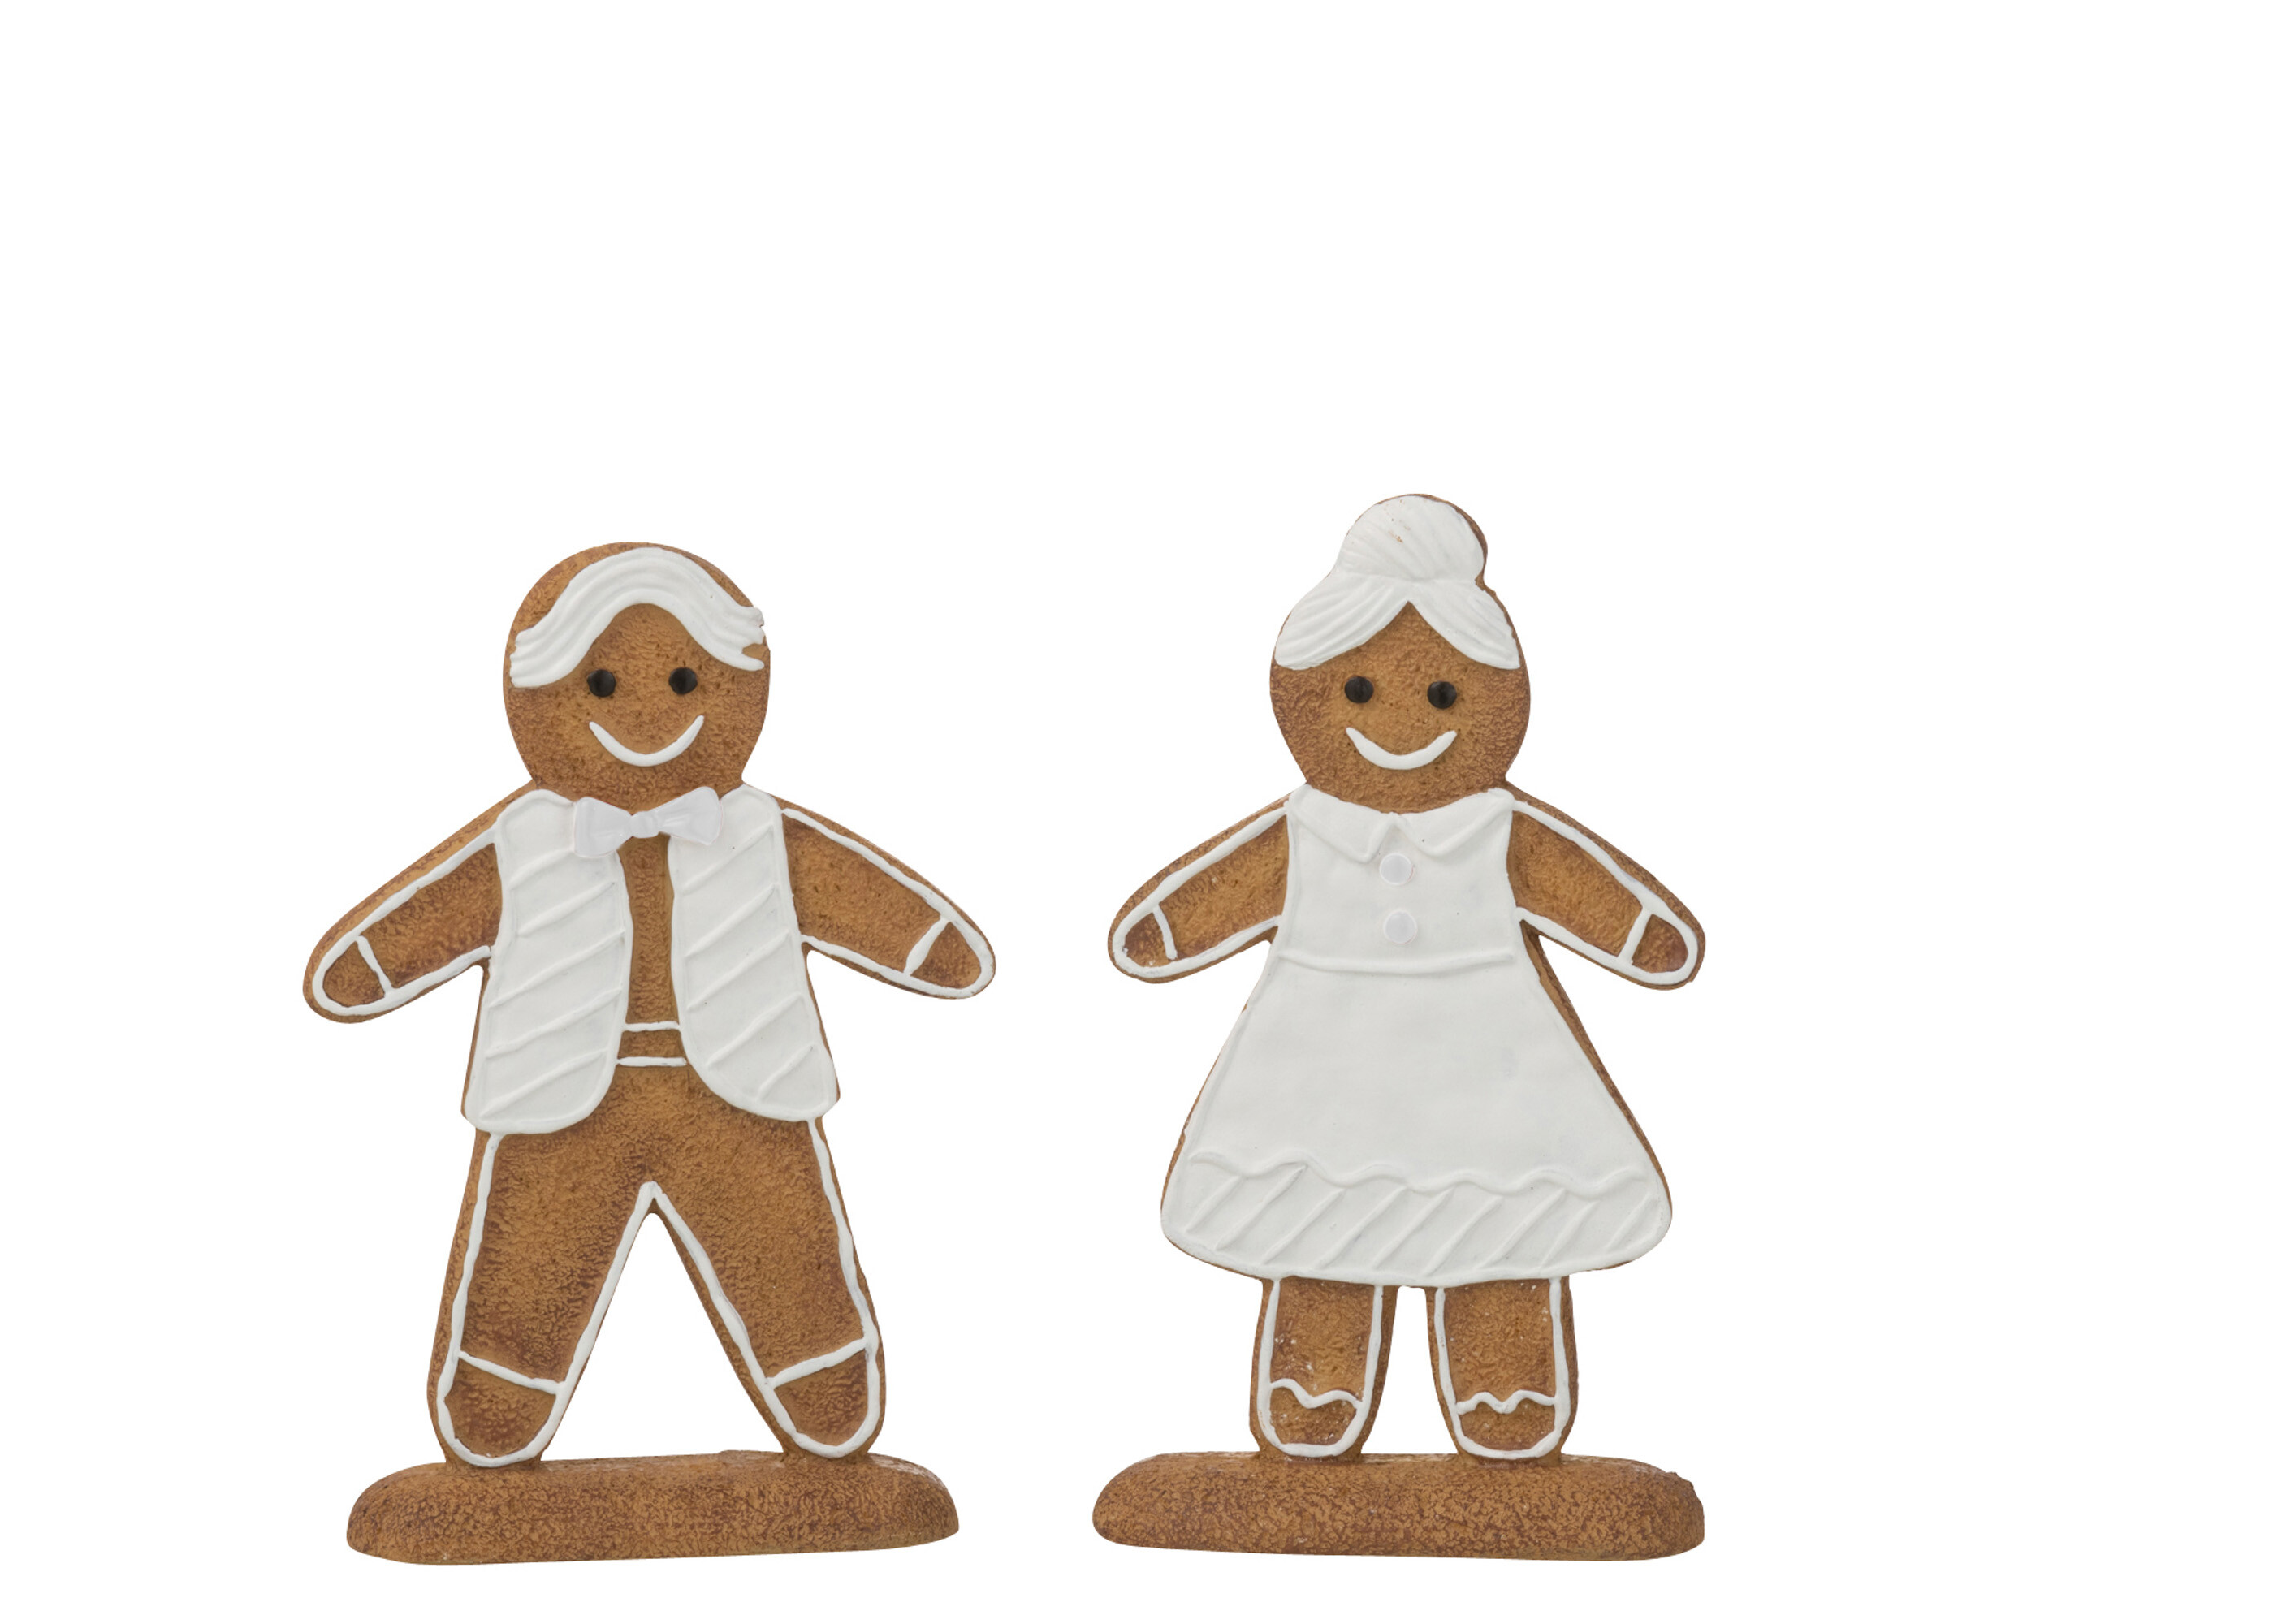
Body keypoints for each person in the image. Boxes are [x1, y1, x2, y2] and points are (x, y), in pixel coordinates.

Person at [306, 543, 992, 1467]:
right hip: (556, 1097)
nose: (646, 710)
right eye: (602, 683)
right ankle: (501, 1388)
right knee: (531, 1248)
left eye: (681, 680)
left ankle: (820, 1372)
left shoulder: (760, 829)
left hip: (745, 1090)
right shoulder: (524, 838)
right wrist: (369, 966)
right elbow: (426, 920)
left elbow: (864, 899)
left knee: (780, 1238)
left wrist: (925, 944)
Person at [1109, 495, 1701, 1461]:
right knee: (1317, 1209)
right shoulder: (1307, 831)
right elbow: (1205, 902)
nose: (1398, 721)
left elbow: (1592, 894)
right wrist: (1167, 929)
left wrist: (1641, 934)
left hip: (1489, 1062)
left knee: (1501, 1208)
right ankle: (1316, 1384)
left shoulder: (1496, 829)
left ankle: (1506, 1388)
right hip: (1323, 1067)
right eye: (1357, 690)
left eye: (1441, 696)